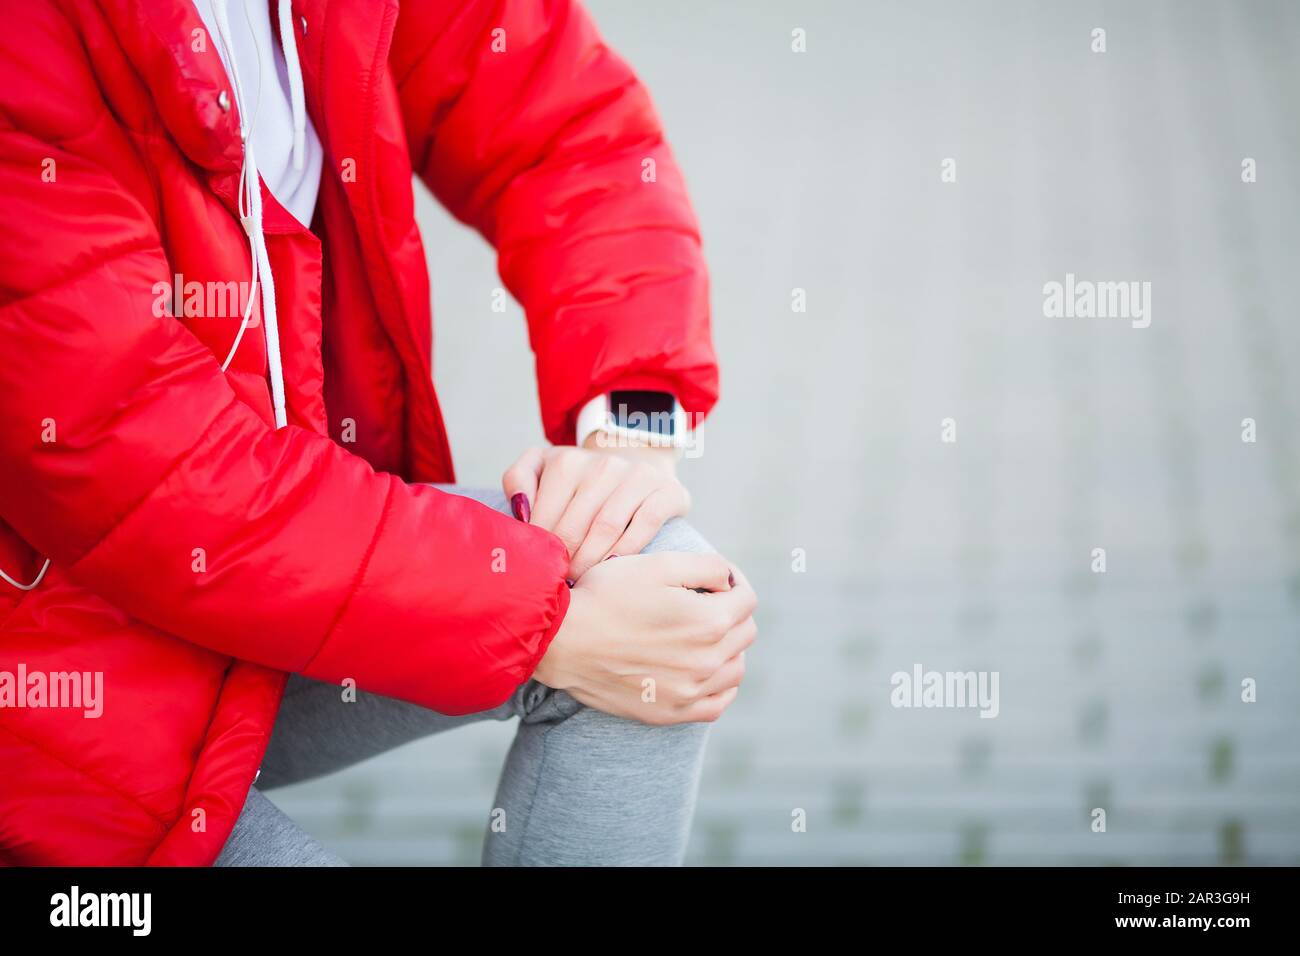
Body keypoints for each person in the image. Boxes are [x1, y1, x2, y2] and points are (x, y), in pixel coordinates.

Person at [0, 0, 756, 866]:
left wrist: (630, 437)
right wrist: (549, 630)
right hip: (54, 694)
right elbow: (139, 463)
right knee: (610, 628)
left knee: (657, 581)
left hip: (264, 594)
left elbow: (565, 129)